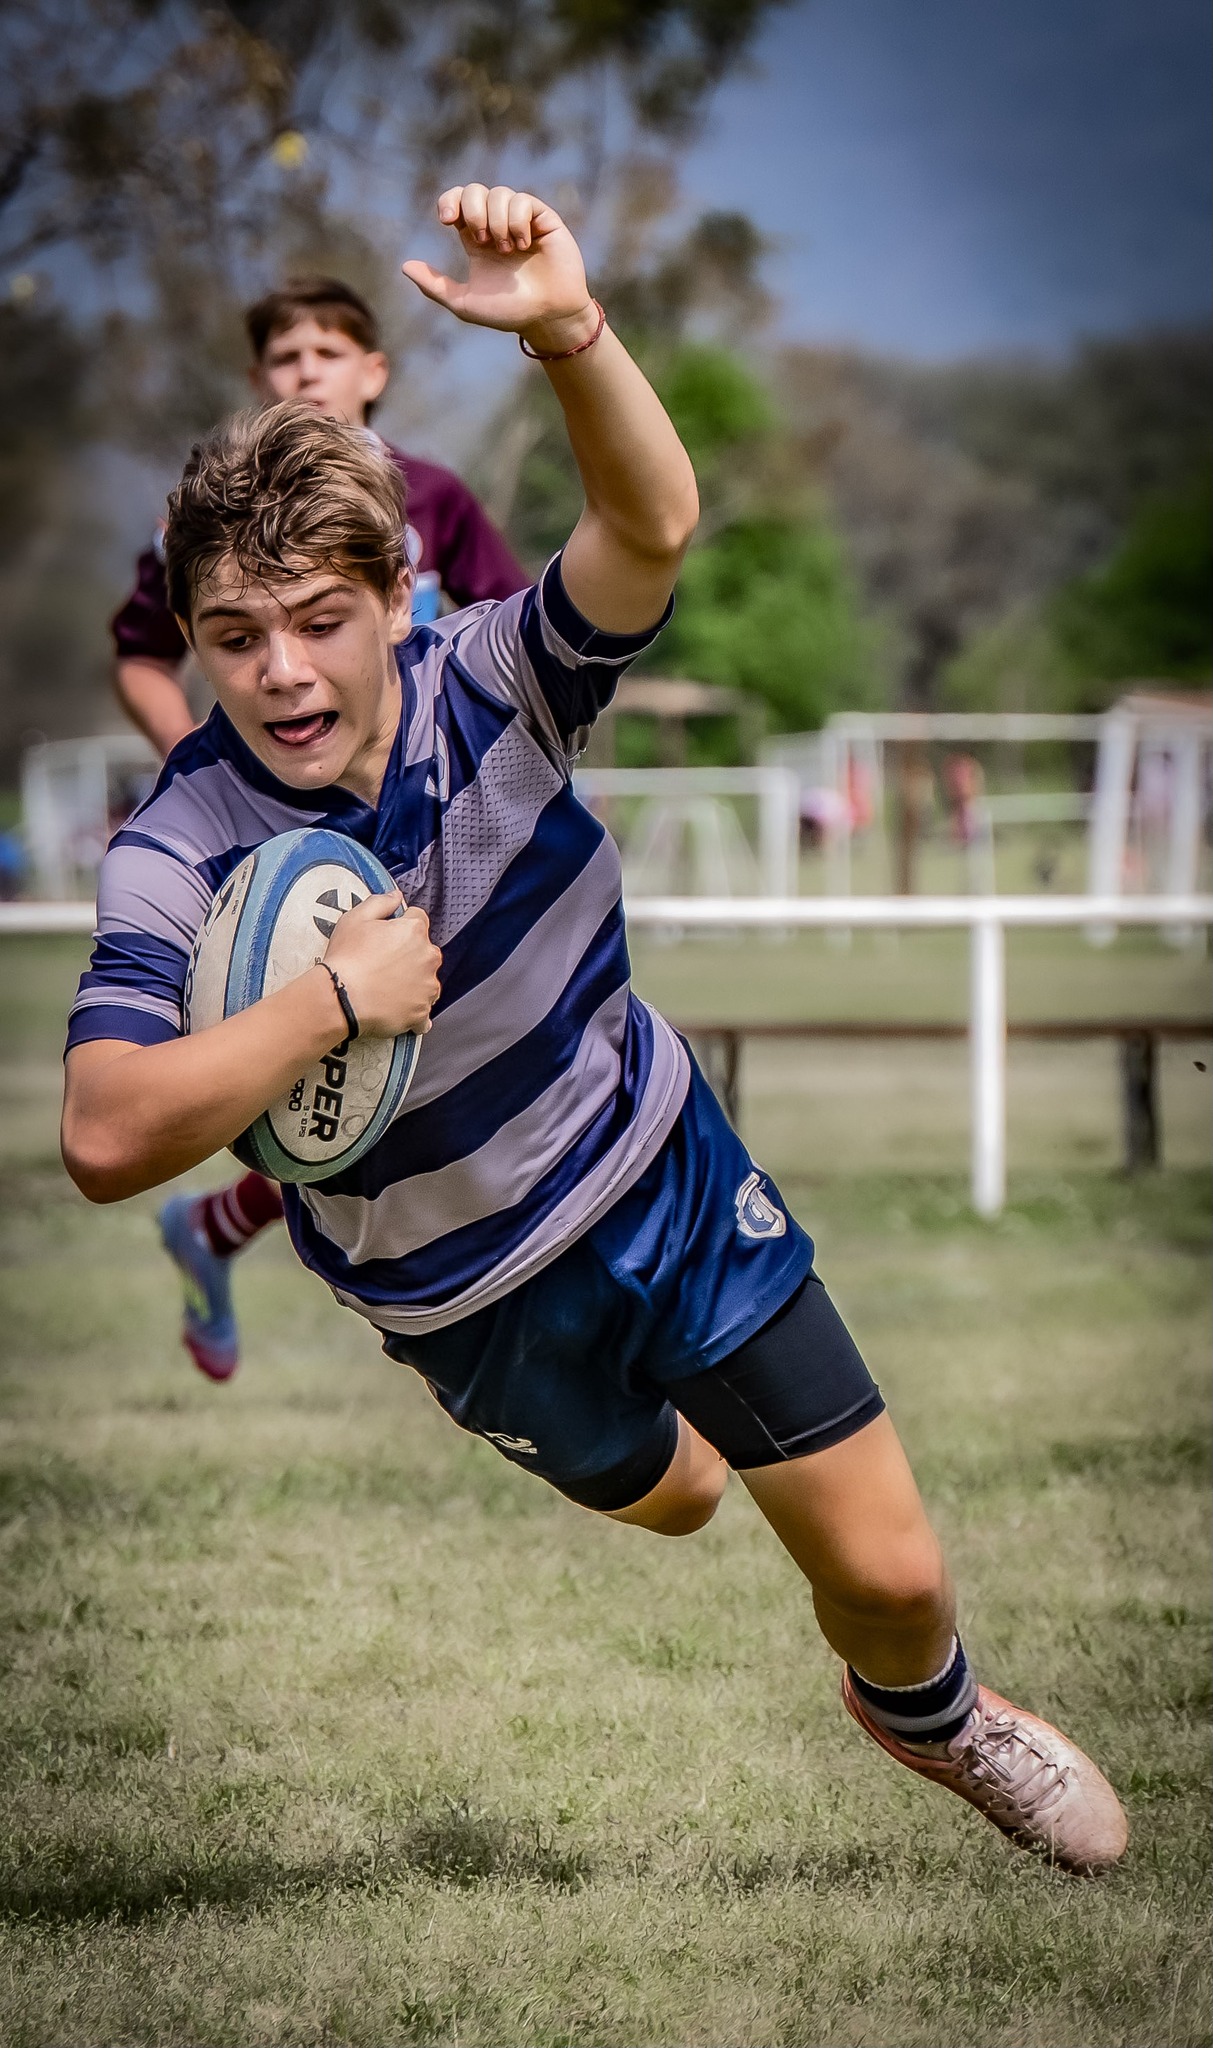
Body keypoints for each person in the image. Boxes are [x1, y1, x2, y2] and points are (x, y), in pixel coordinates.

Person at [62, 184, 1127, 1875]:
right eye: (233, 638)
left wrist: (569, 332)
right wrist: (331, 1004)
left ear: (396, 595)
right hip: (466, 1297)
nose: (280, 673)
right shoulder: (176, 849)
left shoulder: (494, 679)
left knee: (892, 1574)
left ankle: (932, 1716)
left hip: (659, 1176)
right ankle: (665, 1435)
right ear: (190, 642)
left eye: (319, 619)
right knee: (685, 1496)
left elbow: (648, 525)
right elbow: (108, 1131)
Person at [109, 273, 528, 1382]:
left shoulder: (434, 497)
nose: (307, 373)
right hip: (280, 845)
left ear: (373, 373)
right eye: (286, 358)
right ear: (259, 379)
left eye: (328, 354)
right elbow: (138, 654)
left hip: (422, 810)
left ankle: (217, 1226)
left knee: (432, 1051)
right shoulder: (199, 525)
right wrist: (211, 767)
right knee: (339, 1050)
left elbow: (509, 627)